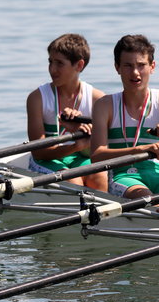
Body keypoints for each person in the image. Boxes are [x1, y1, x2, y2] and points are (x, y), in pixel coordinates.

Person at [90, 34, 159, 202]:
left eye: (141, 65)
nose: (135, 72)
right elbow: (96, 156)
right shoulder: (105, 105)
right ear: (117, 67)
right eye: (128, 65)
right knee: (146, 199)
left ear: (152, 66)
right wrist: (140, 150)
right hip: (123, 176)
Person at [26, 33, 107, 191]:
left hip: (80, 157)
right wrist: (76, 146)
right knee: (73, 180)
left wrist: (81, 140)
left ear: (79, 65)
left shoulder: (98, 99)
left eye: (59, 63)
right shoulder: (37, 98)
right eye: (50, 62)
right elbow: (38, 152)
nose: (52, 69)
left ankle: (104, 214)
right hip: (45, 160)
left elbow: (100, 150)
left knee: (100, 178)